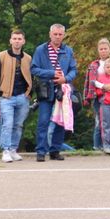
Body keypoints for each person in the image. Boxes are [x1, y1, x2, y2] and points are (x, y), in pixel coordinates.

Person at [31, 24, 77, 162]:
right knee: (43, 121)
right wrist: (51, 73)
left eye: (60, 34)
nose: (57, 36)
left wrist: (65, 79)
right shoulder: (41, 50)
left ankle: (55, 151)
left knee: (60, 122)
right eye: (55, 34)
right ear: (50, 34)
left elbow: (74, 70)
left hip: (62, 90)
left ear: (64, 35)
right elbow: (33, 69)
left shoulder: (68, 50)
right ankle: (40, 151)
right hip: (46, 89)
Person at [0, 29, 33, 163]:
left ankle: (14, 149)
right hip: (5, 97)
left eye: (19, 39)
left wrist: (29, 93)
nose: (17, 41)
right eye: (14, 38)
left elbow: (32, 77)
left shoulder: (28, 58)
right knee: (7, 124)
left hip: (22, 97)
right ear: (10, 40)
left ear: (23, 41)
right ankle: (6, 150)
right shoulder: (1, 56)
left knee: (18, 124)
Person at [83, 38, 110, 151]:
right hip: (98, 96)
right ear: (98, 50)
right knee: (99, 121)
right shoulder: (94, 65)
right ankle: (97, 146)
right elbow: (89, 82)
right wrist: (86, 97)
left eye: (105, 48)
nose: (103, 51)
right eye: (101, 49)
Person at [95, 57, 110, 154]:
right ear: (104, 68)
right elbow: (98, 91)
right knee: (106, 125)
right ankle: (106, 146)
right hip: (105, 104)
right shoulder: (101, 78)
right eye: (108, 67)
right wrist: (105, 90)